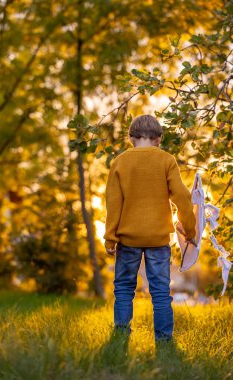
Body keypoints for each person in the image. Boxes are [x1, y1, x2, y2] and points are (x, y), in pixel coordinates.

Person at [103, 114, 197, 343]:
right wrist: (190, 231)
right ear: (158, 139)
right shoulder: (166, 160)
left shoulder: (120, 162)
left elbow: (113, 203)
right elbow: (183, 199)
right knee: (161, 292)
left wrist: (110, 238)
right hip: (158, 240)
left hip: (128, 240)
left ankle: (121, 335)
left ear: (131, 138)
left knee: (124, 289)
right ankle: (164, 339)